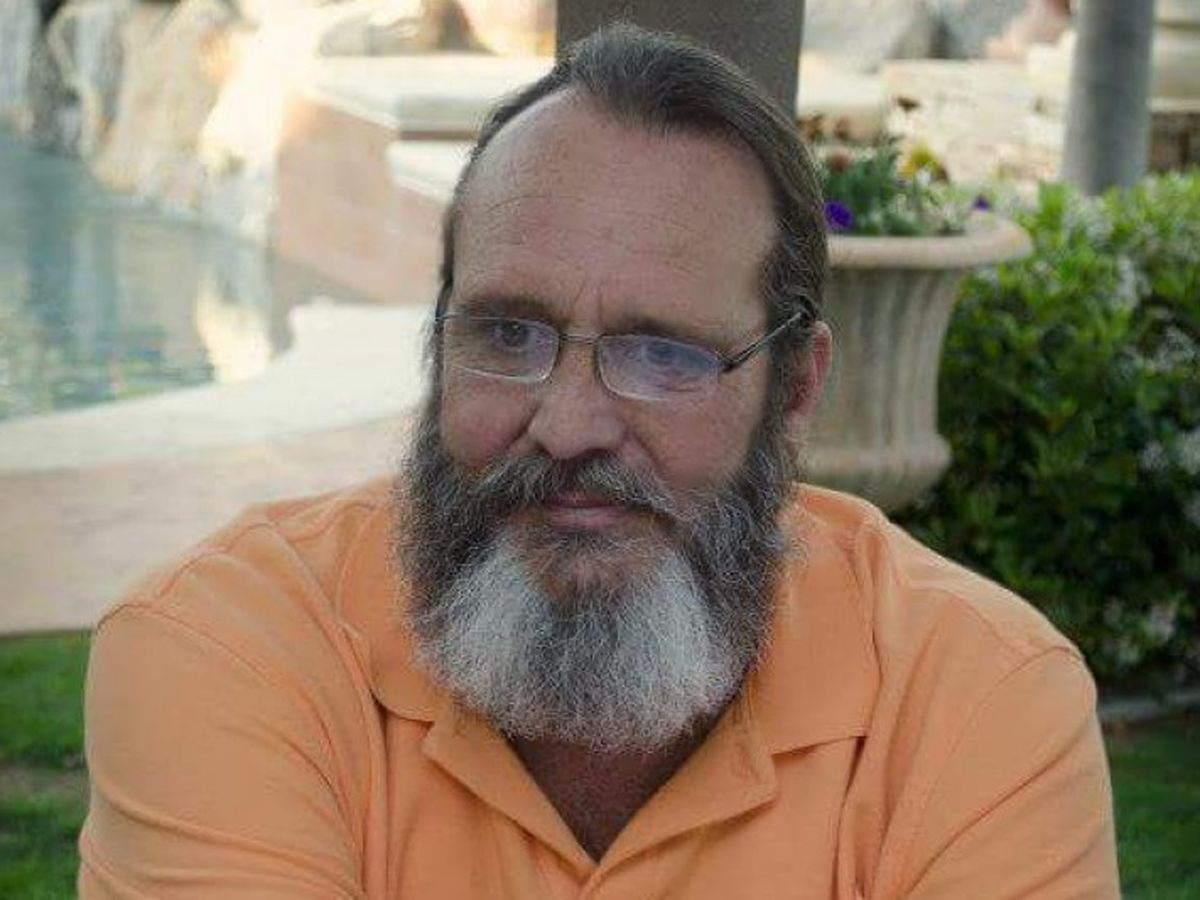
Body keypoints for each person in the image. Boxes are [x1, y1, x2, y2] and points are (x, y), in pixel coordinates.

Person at [79, 24, 1119, 899]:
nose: (569, 424)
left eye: (664, 353)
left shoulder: (977, 698)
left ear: (796, 388)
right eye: (508, 333)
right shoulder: (234, 643)